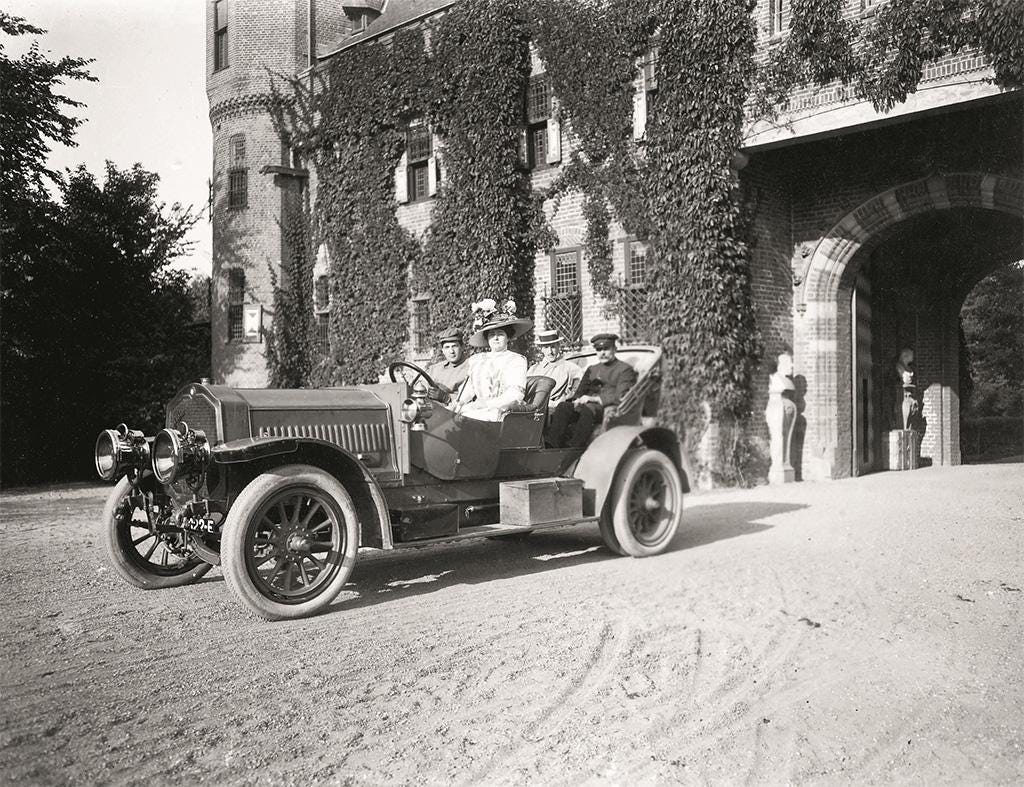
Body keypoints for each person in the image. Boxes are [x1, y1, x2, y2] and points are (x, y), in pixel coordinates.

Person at [546, 333, 637, 448]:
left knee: (589, 409)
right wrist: (576, 400)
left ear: (615, 349)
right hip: (586, 407)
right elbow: (580, 392)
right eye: (599, 349)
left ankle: (574, 448)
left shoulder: (624, 370)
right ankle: (551, 445)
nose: (602, 353)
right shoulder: (592, 369)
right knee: (563, 407)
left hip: (605, 409)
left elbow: (621, 396)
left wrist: (593, 399)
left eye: (606, 349)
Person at [452, 311, 533, 422]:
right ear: (487, 339)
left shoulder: (516, 360)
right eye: (491, 335)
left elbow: (515, 394)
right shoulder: (477, 359)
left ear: (508, 337)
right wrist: (460, 402)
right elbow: (469, 387)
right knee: (446, 415)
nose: (495, 338)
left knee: (464, 419)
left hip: (501, 412)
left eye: (500, 334)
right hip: (477, 408)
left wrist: (485, 404)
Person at [527, 329, 583, 411]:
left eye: (553, 346)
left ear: (558, 346)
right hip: (533, 409)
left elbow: (579, 389)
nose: (550, 352)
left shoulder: (571, 368)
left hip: (556, 410)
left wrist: (564, 399)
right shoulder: (534, 369)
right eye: (546, 347)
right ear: (541, 349)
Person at [424, 327, 469, 404]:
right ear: (443, 351)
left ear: (462, 347)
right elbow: (422, 390)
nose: (451, 351)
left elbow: (473, 397)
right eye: (447, 347)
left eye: (454, 346)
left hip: (456, 412)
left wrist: (447, 398)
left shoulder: (471, 367)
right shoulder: (435, 369)